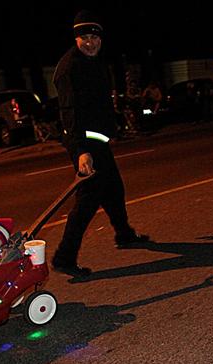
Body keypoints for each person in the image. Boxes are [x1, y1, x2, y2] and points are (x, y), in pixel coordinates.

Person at [51, 10, 149, 278]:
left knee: (114, 189)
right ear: (76, 38)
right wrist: (81, 151)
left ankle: (124, 234)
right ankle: (64, 257)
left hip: (99, 141)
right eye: (85, 37)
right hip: (85, 144)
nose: (91, 42)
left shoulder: (92, 62)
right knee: (87, 202)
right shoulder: (70, 68)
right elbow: (69, 113)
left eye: (95, 37)